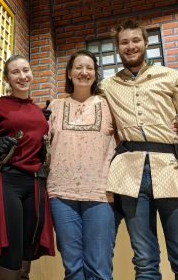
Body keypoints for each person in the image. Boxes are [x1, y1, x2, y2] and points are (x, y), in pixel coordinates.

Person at [101, 19, 178, 280]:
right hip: (129, 175)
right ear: (117, 48)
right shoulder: (108, 85)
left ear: (146, 43)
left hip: (172, 169)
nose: (130, 46)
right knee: (144, 261)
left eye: (135, 40)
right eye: (124, 42)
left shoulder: (173, 78)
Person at [0, 55, 55, 280]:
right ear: (7, 79)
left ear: (32, 73)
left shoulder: (39, 111)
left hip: (35, 182)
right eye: (15, 72)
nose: (22, 76)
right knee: (11, 249)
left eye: (25, 70)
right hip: (7, 180)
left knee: (28, 248)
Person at [46, 50, 119, 280]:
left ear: (96, 75)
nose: (84, 72)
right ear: (69, 73)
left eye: (89, 68)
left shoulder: (109, 106)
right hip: (60, 193)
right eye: (78, 67)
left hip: (99, 192)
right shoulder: (55, 106)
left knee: (99, 267)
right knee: (73, 267)